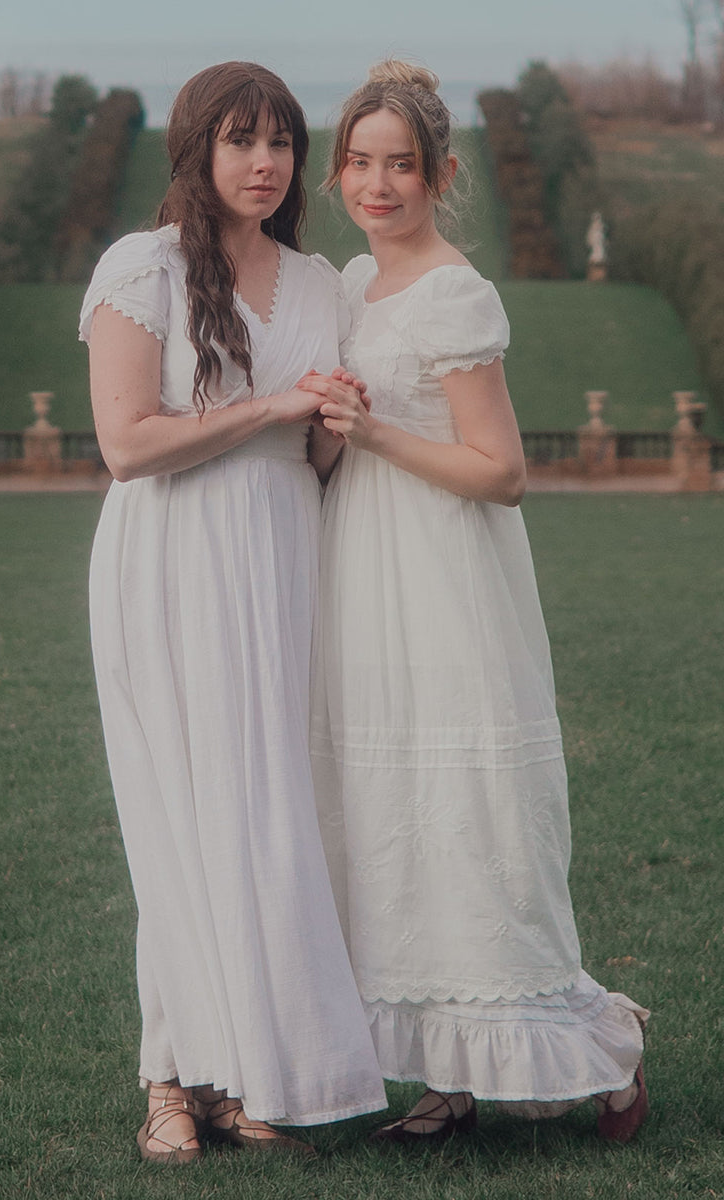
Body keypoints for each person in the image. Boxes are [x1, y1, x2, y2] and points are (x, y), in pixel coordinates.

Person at [301, 60, 649, 1146]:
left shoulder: (455, 292)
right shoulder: (349, 285)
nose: (377, 184)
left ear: (440, 176)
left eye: (400, 165)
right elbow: (330, 453)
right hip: (361, 576)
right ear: (337, 173)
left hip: (444, 578)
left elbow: (501, 472)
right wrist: (330, 423)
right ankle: (443, 1078)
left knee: (466, 812)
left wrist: (376, 433)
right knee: (386, 814)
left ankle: (606, 1054)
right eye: (359, 162)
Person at [78, 61, 385, 1165]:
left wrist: (334, 424)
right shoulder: (145, 267)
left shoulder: (318, 284)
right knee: (181, 815)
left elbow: (312, 458)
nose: (265, 163)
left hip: (282, 554)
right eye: (241, 140)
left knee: (266, 818)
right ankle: (169, 1079)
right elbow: (126, 444)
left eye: (282, 142)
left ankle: (244, 1077)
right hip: (172, 556)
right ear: (196, 148)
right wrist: (270, 407)